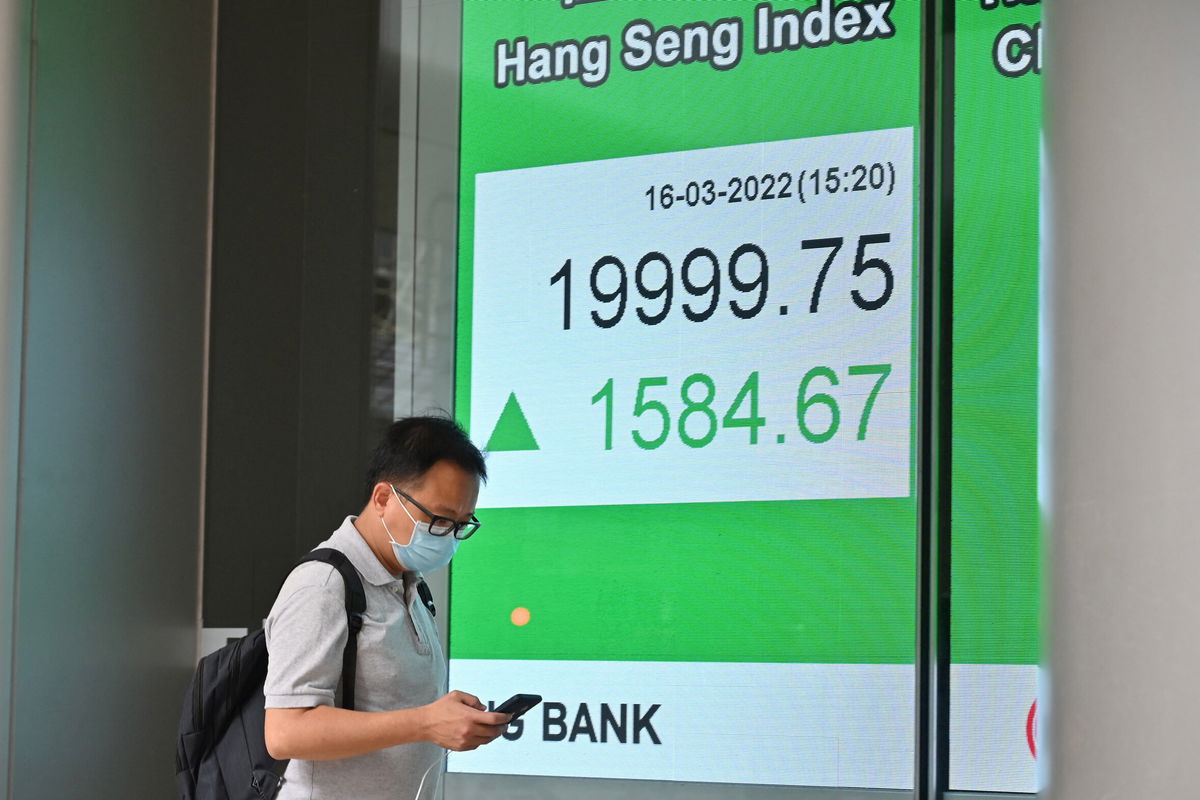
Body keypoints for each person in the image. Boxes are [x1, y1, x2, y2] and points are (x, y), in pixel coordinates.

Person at [263, 415, 510, 799]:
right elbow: (285, 732)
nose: (447, 537)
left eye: (462, 524)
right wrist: (425, 722)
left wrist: (444, 717)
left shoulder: (411, 581)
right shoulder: (324, 585)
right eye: (439, 519)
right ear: (382, 498)